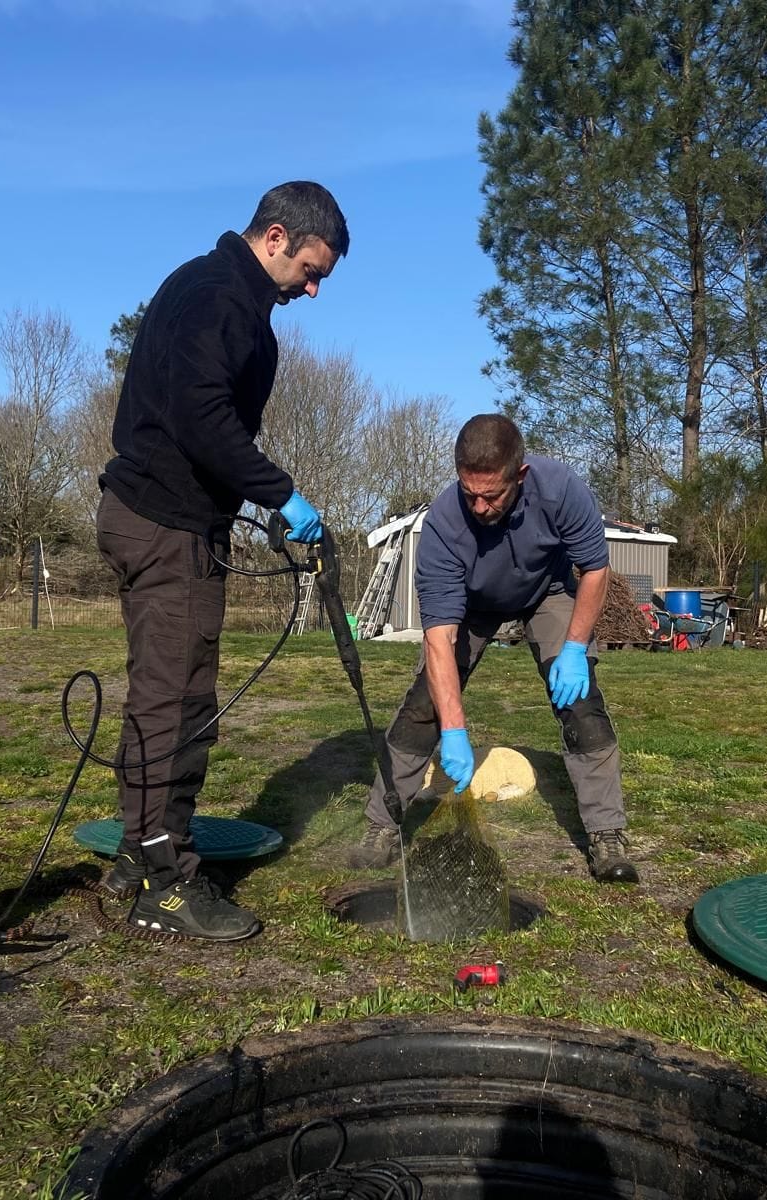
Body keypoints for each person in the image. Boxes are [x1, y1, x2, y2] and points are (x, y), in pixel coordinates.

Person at [96, 181, 349, 941]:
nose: (312, 289)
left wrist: (250, 496)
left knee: (167, 695)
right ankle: (165, 882)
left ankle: (138, 857)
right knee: (177, 703)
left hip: (177, 522)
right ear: (275, 237)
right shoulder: (216, 296)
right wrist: (281, 493)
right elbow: (200, 416)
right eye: (310, 270)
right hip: (163, 526)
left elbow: (214, 429)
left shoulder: (237, 305)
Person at [348, 413, 639, 884]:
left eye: (492, 495)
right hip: (471, 603)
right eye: (470, 494)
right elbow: (440, 638)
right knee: (425, 703)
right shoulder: (444, 524)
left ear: (519, 475)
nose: (480, 507)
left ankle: (607, 833)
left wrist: (574, 648)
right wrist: (454, 729)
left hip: (549, 591)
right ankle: (383, 823)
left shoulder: (561, 489)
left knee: (581, 702)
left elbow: (595, 568)